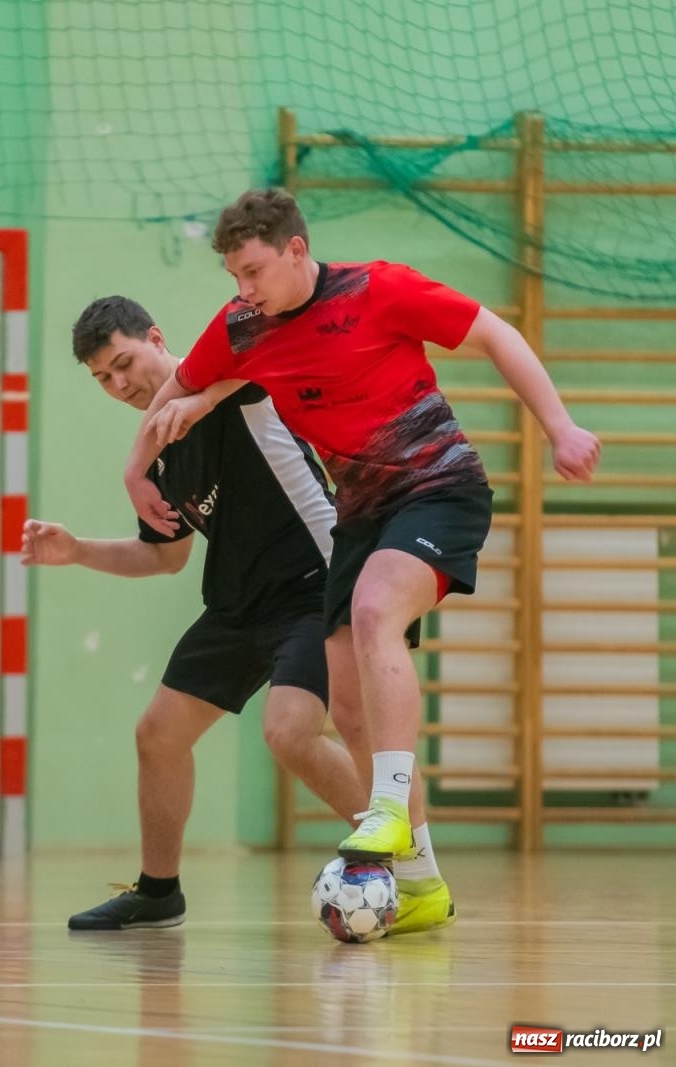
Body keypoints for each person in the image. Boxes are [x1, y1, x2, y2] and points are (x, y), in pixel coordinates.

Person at [124, 188, 600, 877]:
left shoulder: (378, 289)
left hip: (439, 487)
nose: (243, 287)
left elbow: (496, 333)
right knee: (347, 704)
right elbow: (177, 391)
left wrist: (561, 427)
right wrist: (136, 472)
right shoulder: (241, 325)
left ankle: (388, 808)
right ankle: (422, 880)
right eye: (233, 276)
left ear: (296, 250)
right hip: (362, 514)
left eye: (253, 270)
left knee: (377, 609)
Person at [35, 296, 425, 932]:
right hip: (239, 601)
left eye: (125, 364)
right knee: (157, 735)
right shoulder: (161, 457)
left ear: (158, 338)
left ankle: (408, 867)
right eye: (103, 378)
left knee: (290, 732)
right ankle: (159, 893)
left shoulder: (227, 387)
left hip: (315, 583)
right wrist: (77, 550)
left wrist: (142, 449)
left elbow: (265, 345)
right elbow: (162, 558)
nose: (120, 385)